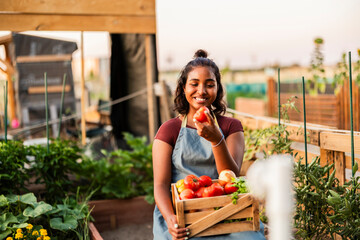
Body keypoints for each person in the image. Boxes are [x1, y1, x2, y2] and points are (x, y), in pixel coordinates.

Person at [152, 49, 265, 240]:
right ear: (183, 88)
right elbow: (161, 185)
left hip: (226, 210)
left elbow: (231, 177)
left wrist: (216, 139)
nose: (202, 91)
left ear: (218, 89)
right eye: (194, 84)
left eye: (209, 84)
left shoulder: (231, 127)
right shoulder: (169, 130)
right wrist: (170, 218)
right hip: (182, 213)